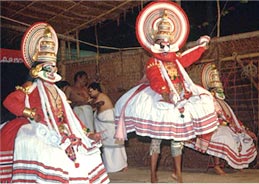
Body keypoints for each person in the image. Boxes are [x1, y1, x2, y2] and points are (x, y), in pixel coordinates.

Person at [114, 1, 219, 183]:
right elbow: (155, 80)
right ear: (155, 43)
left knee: (177, 140)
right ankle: (153, 175)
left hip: (180, 98)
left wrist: (201, 46)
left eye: (167, 42)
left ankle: (177, 173)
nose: (164, 45)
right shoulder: (153, 62)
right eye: (161, 42)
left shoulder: (175, 59)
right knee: (156, 141)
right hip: (159, 102)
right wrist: (166, 94)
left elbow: (187, 57)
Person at [0, 22, 109, 183]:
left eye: (53, 66)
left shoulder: (57, 91)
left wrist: (87, 133)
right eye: (47, 67)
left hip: (59, 129)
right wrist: (30, 113)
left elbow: (70, 116)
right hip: (37, 128)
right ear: (38, 68)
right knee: (52, 154)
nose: (51, 70)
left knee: (85, 152)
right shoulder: (31, 86)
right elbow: (10, 101)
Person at [185, 63, 257, 175]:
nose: (219, 90)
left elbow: (232, 118)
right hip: (211, 127)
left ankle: (237, 164)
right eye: (215, 88)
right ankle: (216, 165)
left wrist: (244, 129)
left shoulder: (222, 102)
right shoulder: (205, 101)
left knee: (244, 137)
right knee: (225, 137)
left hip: (227, 126)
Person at [88, 82, 128, 173]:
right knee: (108, 145)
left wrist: (91, 104)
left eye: (91, 91)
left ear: (96, 90)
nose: (90, 93)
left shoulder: (101, 96)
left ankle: (120, 166)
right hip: (105, 125)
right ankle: (112, 166)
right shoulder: (97, 98)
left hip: (108, 125)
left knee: (114, 144)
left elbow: (99, 104)